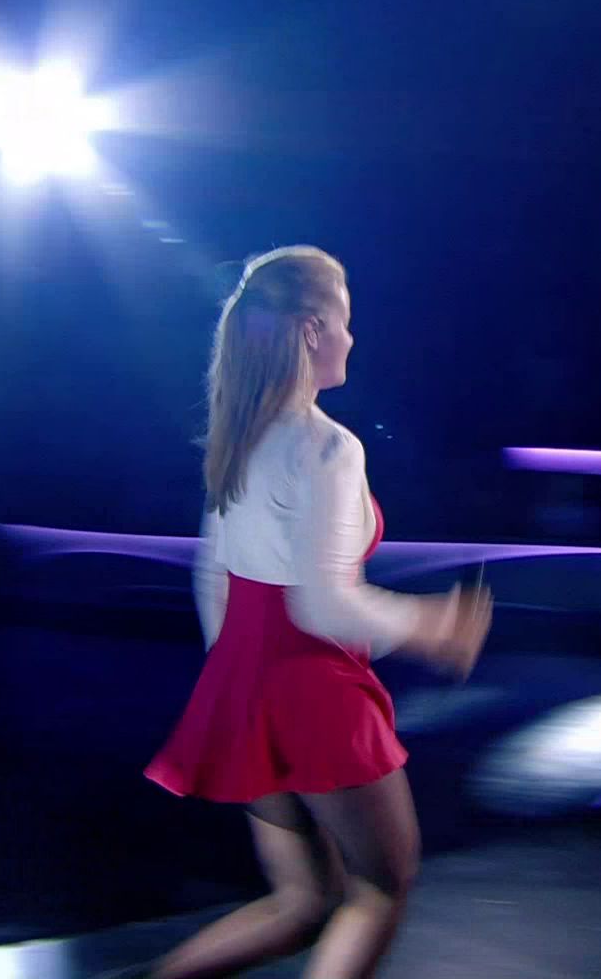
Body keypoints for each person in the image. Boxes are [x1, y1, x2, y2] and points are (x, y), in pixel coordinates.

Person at [137, 245, 494, 979]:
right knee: (380, 889)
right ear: (310, 331)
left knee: (302, 902)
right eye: (344, 320)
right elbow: (324, 603)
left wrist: (239, 684)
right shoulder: (328, 448)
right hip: (311, 691)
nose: (351, 338)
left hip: (241, 680)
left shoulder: (240, 435)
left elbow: (213, 577)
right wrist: (434, 626)